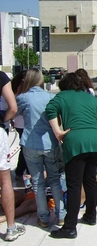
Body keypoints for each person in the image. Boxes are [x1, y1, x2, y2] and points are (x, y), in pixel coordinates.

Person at [45, 73, 97, 239]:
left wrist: (58, 132)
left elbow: (50, 109)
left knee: (74, 185)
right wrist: (95, 138)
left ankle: (69, 227)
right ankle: (90, 215)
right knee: (89, 180)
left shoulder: (62, 96)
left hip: (75, 144)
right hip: (96, 144)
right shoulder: (91, 99)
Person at [15, 68, 66, 228]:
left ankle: (43, 218)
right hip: (50, 143)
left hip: (31, 143)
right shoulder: (50, 97)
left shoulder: (23, 97)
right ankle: (60, 215)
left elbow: (15, 113)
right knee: (55, 180)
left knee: (37, 182)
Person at [0, 71, 26, 241]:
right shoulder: (1, 77)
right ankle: (10, 228)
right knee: (5, 179)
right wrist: (5, 119)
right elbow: (13, 107)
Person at [10, 70, 29, 180]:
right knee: (25, 147)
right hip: (20, 123)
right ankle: (20, 170)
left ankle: (21, 169)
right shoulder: (17, 92)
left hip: (23, 122)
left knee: (25, 147)